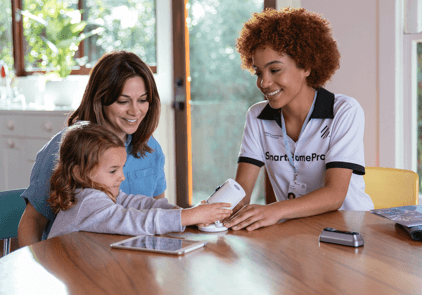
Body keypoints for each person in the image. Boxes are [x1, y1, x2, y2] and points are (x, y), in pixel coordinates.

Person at [223, 7, 374, 232]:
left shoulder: (344, 111)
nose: (264, 83)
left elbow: (335, 195)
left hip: (349, 233)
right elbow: (241, 192)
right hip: (297, 234)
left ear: (306, 66)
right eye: (258, 72)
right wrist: (213, 210)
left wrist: (273, 210)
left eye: (274, 70)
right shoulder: (257, 116)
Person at [18, 51, 169, 245]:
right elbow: (34, 220)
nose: (135, 111)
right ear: (100, 99)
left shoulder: (150, 148)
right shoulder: (66, 147)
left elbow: (157, 210)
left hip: (134, 261)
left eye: (142, 100)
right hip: (77, 262)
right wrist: (35, 272)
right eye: (123, 101)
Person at [47, 122, 231, 238]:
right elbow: (131, 220)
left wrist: (183, 212)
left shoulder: (103, 194)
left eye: (121, 168)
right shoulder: (87, 201)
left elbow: (138, 203)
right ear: (79, 173)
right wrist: (189, 216)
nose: (122, 177)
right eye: (112, 171)